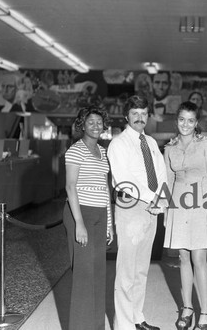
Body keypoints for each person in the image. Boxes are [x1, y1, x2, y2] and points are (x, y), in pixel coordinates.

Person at [107, 95, 167, 330]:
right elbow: (123, 180)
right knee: (126, 270)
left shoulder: (151, 143)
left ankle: (137, 317)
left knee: (142, 267)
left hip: (152, 209)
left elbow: (161, 173)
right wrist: (152, 197)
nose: (140, 118)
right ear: (126, 116)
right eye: (135, 114)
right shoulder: (118, 143)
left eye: (143, 113)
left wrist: (160, 199)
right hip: (131, 207)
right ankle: (123, 325)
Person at [163, 101, 207, 330]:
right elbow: (168, 181)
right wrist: (167, 210)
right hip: (179, 204)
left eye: (190, 120)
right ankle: (187, 307)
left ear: (196, 123)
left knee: (199, 258)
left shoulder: (206, 142)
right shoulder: (170, 147)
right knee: (183, 258)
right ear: (176, 121)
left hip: (201, 203)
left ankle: (205, 312)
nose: (185, 124)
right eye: (181, 120)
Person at [63, 105, 114, 330]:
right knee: (84, 274)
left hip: (100, 214)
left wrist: (110, 224)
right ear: (82, 124)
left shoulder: (102, 151)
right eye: (90, 122)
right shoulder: (75, 150)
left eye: (99, 122)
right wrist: (79, 224)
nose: (95, 126)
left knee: (98, 272)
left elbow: (105, 189)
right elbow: (70, 187)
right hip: (79, 212)